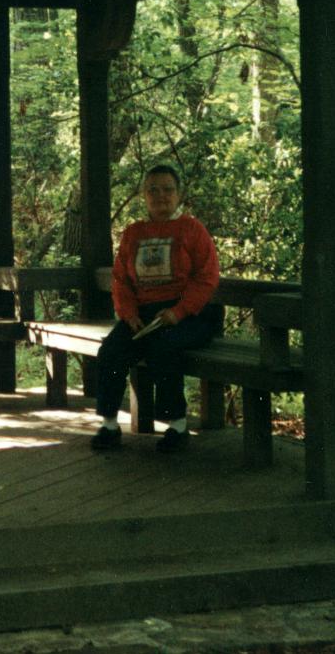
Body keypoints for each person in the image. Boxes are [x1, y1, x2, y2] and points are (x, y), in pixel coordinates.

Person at [90, 163, 221, 453]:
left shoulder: (192, 229)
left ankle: (177, 426)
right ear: (143, 195)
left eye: (167, 190)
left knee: (163, 348)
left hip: (191, 315)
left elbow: (207, 278)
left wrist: (178, 311)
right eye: (153, 190)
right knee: (111, 351)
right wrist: (128, 313)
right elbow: (121, 280)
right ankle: (109, 425)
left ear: (179, 194)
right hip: (144, 315)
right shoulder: (133, 233)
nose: (161, 196)